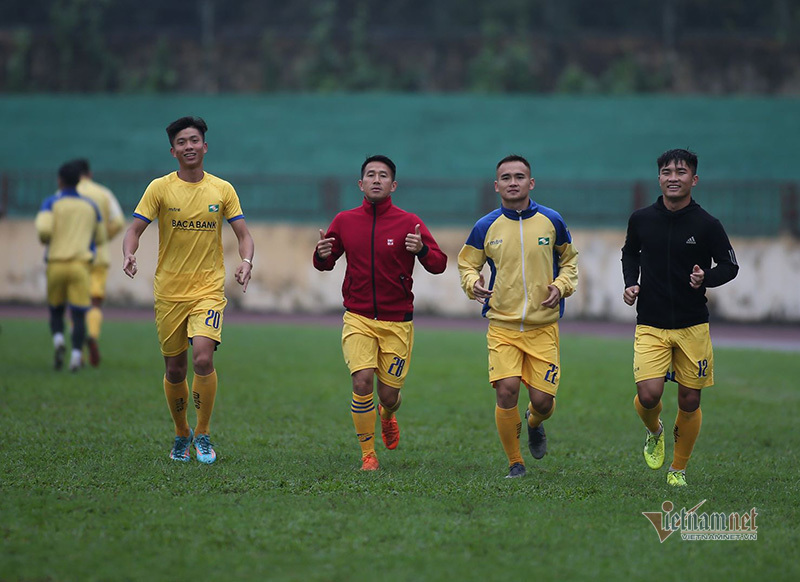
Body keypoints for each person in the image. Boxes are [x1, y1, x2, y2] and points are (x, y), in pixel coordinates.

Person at [122, 116, 254, 464]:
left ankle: (204, 433)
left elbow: (244, 235)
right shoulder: (159, 188)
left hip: (208, 290)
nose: (189, 146)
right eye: (182, 142)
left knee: (203, 358)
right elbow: (134, 230)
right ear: (173, 151)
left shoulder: (222, 189)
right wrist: (129, 253)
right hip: (169, 291)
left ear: (205, 146)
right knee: (176, 370)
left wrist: (246, 262)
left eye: (194, 140)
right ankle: (182, 433)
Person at [313, 155, 447, 471]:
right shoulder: (345, 221)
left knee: (388, 395)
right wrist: (320, 256)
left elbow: (439, 264)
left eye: (383, 175)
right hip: (358, 317)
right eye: (370, 175)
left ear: (393, 185)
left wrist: (422, 249)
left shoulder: (408, 222)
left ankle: (387, 415)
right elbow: (325, 262)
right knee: (362, 381)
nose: (376, 179)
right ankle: (368, 456)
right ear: (360, 184)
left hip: (397, 322)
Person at [621, 148, 739, 487]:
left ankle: (678, 469)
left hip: (692, 325)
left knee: (690, 399)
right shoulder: (641, 219)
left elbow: (730, 266)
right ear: (659, 178)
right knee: (649, 396)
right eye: (667, 172)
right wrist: (631, 284)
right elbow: (629, 252)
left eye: (681, 172)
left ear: (694, 179)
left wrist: (707, 279)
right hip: (651, 323)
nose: (674, 177)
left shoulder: (707, 224)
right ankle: (655, 431)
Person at [458, 154, 579, 479]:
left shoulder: (552, 221)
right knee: (506, 389)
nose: (513, 182)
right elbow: (467, 264)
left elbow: (569, 263)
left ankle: (534, 422)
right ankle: (516, 463)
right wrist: (473, 284)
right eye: (507, 178)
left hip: (543, 328)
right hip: (502, 326)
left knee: (542, 402)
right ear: (496, 185)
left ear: (531, 182)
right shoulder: (485, 226)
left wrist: (561, 285)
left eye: (520, 177)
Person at [35, 160, 106, 372]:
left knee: (56, 310)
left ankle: (58, 339)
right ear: (79, 181)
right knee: (79, 314)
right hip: (80, 266)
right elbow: (101, 237)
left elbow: (43, 232)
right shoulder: (90, 206)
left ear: (60, 180)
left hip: (56, 263)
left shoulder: (50, 203)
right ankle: (76, 356)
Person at [70, 158, 126, 367]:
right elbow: (118, 221)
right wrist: (103, 238)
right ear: (89, 174)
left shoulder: (66, 194)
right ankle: (92, 335)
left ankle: (78, 351)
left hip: (74, 256)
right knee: (95, 302)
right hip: (99, 255)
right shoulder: (103, 193)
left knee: (76, 305)